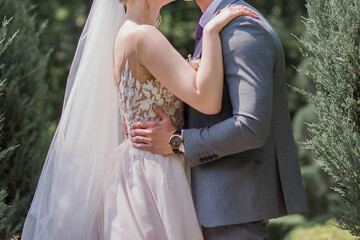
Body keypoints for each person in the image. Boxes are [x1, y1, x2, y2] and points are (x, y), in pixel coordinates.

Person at [21, 0, 257, 239]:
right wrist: (211, 32)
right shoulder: (144, 37)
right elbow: (207, 100)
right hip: (156, 172)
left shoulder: (123, 34)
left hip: (133, 166)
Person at [130, 0, 308, 239]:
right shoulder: (217, 25)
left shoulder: (243, 28)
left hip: (233, 209)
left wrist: (177, 141)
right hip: (209, 205)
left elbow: (250, 127)